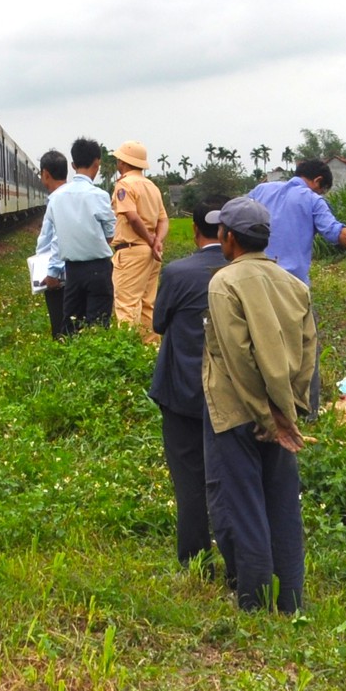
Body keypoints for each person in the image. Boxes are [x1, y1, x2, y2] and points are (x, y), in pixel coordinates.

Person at [201, 195, 319, 614]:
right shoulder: (294, 285)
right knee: (283, 504)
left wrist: (266, 417)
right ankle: (290, 601)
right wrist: (289, 411)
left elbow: (237, 357)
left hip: (237, 414)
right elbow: (307, 356)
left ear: (229, 238)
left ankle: (252, 601)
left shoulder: (224, 283)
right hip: (281, 414)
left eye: (220, 231)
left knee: (243, 504)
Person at [147, 204, 230, 567]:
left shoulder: (177, 273)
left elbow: (159, 324)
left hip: (182, 392)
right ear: (228, 232)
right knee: (230, 477)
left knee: (189, 478)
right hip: (233, 397)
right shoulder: (246, 273)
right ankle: (238, 558)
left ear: (195, 230)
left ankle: (195, 558)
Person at [244, 159, 346, 283]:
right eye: (321, 191)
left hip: (251, 279)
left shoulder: (261, 190)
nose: (319, 194)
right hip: (289, 283)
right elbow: (336, 233)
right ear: (317, 181)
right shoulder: (312, 199)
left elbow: (233, 217)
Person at [47, 138, 118, 328]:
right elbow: (110, 233)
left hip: (72, 270)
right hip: (98, 269)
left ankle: (70, 355)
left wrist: (52, 270)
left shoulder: (56, 198)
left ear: (72, 165)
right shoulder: (99, 196)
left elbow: (54, 238)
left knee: (71, 322)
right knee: (99, 323)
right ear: (97, 164)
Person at [110, 141, 170, 339]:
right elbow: (163, 220)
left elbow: (132, 217)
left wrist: (150, 239)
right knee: (147, 304)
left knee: (126, 305)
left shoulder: (125, 185)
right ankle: (150, 350)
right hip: (151, 254)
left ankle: (126, 351)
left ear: (124, 162)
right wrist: (157, 241)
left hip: (131, 251)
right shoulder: (152, 187)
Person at [33, 150, 74, 337]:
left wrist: (52, 272)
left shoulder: (57, 200)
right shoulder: (71, 196)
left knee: (61, 329)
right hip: (71, 272)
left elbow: (59, 237)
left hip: (58, 277)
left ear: (46, 174)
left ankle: (63, 359)